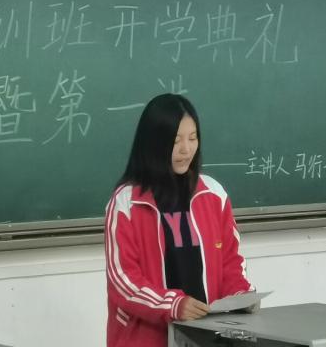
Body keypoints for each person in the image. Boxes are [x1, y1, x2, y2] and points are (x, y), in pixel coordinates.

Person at [104, 93, 254, 347]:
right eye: (176, 141)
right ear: (153, 142)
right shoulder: (126, 203)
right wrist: (172, 305)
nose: (186, 149)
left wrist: (241, 296)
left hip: (205, 337)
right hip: (145, 340)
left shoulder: (213, 194)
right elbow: (123, 281)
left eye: (193, 138)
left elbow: (230, 262)